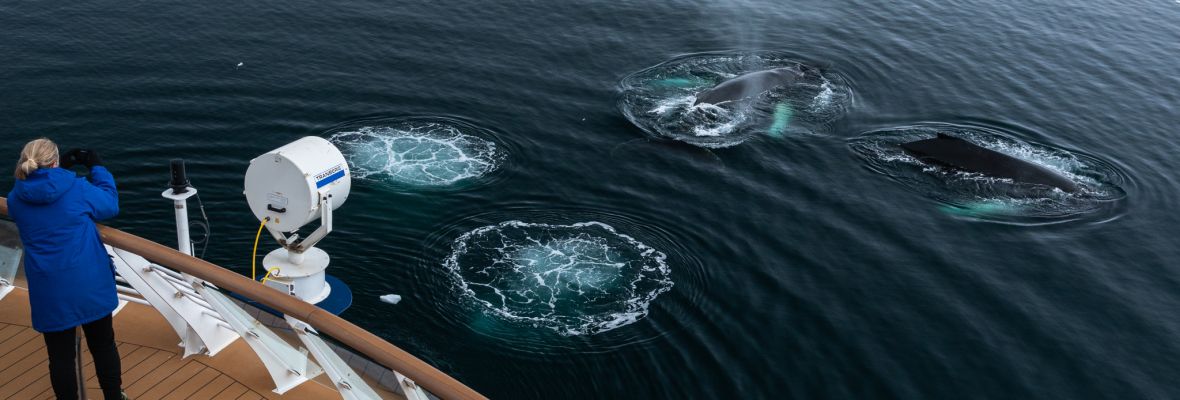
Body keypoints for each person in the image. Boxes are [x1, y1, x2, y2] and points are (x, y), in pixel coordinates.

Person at [6, 138, 126, 400]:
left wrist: (57, 168)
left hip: (48, 288)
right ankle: (114, 396)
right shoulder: (76, 188)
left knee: (60, 356)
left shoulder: (16, 198)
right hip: (88, 282)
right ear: (55, 161)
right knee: (103, 345)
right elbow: (110, 205)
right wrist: (96, 166)